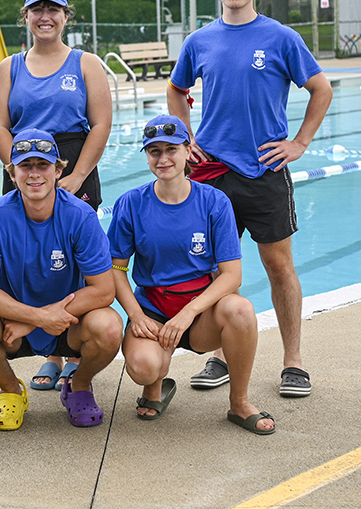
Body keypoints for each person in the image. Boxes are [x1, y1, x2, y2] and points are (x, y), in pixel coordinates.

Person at [167, 0, 333, 398]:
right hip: (212, 171)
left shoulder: (281, 37)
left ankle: (293, 361)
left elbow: (321, 88)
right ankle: (220, 355)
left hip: (264, 170)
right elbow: (176, 88)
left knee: (279, 266)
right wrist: (185, 136)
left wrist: (299, 143)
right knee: (214, 270)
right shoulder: (199, 41)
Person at [106, 115, 274, 433]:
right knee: (143, 368)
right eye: (154, 151)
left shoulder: (213, 202)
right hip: (154, 310)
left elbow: (231, 275)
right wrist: (135, 314)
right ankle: (153, 386)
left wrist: (188, 314)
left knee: (240, 309)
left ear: (188, 151)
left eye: (171, 149)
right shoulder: (131, 204)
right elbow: (116, 267)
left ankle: (239, 403)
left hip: (200, 313)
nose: (163, 158)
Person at [0, 0, 112, 392]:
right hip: (27, 166)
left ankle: (74, 353)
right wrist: (14, 169)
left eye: (53, 9)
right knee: (30, 259)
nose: (45, 16)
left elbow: (101, 124)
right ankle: (52, 353)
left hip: (74, 161)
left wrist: (75, 176)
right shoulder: (10, 66)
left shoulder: (86, 63)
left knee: (77, 261)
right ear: (25, 16)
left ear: (65, 16)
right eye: (37, 9)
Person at [0, 129, 123, 430]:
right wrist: (35, 317)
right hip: (13, 326)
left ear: (59, 170)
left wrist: (39, 320)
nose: (34, 174)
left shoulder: (80, 216)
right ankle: (11, 390)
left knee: (110, 327)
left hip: (68, 324)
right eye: (25, 166)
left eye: (43, 165)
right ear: (12, 173)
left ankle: (79, 384)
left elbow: (103, 291)